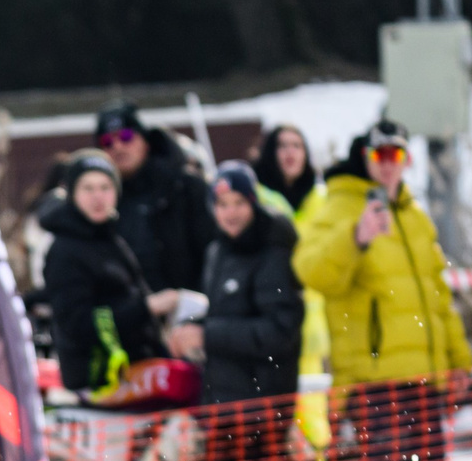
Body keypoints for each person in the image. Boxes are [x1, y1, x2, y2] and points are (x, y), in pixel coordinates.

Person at [294, 120, 472, 461]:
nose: (389, 166)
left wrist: (458, 360)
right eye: (380, 156)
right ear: (365, 158)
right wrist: (355, 237)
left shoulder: (413, 215)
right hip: (375, 378)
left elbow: (438, 298)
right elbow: (311, 269)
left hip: (425, 374)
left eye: (398, 156)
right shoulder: (338, 205)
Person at [194, 161, 304, 461]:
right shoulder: (217, 251)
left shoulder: (273, 250)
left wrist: (207, 335)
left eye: (238, 201)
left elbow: (279, 332)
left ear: (254, 203)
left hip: (260, 410)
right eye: (222, 203)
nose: (230, 212)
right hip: (223, 408)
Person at [38, 151, 195, 408]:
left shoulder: (109, 236)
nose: (98, 196)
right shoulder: (64, 251)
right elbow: (78, 324)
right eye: (88, 188)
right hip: (100, 381)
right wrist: (148, 308)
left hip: (134, 365)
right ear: (72, 194)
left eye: (105, 187)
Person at [96, 100, 222, 296]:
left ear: (145, 141)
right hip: (133, 316)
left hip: (192, 309)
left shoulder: (185, 187)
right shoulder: (100, 203)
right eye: (107, 142)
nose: (118, 147)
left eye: (126, 136)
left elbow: (216, 252)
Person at [253, 123, 317, 217]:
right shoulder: (254, 196)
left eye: (296, 146)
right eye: (282, 145)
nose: (290, 152)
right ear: (270, 153)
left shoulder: (319, 197)